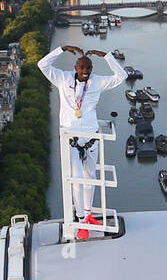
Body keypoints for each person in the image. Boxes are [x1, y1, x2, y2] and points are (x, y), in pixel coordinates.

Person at [39, 44, 128, 227]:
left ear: (92, 69)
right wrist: (62, 49)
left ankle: (88, 214)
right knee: (76, 180)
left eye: (88, 67)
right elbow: (43, 65)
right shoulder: (63, 79)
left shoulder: (97, 81)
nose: (85, 71)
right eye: (82, 67)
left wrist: (106, 56)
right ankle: (80, 217)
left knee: (90, 178)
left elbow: (122, 76)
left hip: (90, 136)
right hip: (70, 136)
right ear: (75, 68)